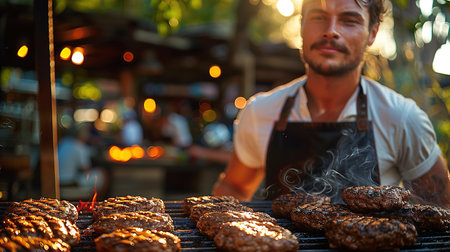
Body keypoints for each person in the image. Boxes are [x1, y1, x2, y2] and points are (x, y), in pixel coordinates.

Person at [212, 0, 450, 208]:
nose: (331, 31)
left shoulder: (402, 118)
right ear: (302, 25)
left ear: (372, 33)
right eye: (318, 17)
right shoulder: (259, 112)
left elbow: (441, 210)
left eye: (349, 20)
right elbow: (234, 187)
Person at [58, 123, 107, 197]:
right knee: (102, 174)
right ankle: (98, 201)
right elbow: (85, 169)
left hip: (58, 180)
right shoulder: (79, 146)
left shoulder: (64, 142)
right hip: (71, 182)